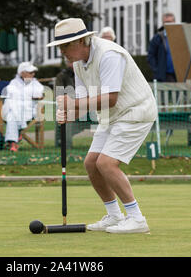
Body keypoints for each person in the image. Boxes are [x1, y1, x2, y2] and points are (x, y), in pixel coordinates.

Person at [47, 18, 157, 234]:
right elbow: (83, 99)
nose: (62, 52)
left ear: (80, 41)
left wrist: (73, 105)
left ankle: (136, 219)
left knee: (106, 163)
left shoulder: (109, 55)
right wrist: (68, 114)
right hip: (111, 116)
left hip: (135, 111)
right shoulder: (79, 63)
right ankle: (114, 215)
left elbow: (111, 98)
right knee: (91, 163)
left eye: (64, 46)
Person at [1, 61, 44, 152]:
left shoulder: (35, 83)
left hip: (30, 111)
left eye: (33, 72)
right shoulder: (14, 83)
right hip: (15, 110)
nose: (33, 74)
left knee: (13, 115)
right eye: (30, 72)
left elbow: (39, 93)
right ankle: (15, 140)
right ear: (22, 73)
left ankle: (13, 142)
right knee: (13, 114)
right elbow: (12, 94)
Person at [54, 58, 92, 149]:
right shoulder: (61, 76)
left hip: (88, 105)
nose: (73, 65)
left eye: (74, 62)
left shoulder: (85, 73)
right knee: (68, 114)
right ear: (67, 63)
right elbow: (59, 94)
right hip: (71, 107)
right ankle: (66, 145)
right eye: (71, 62)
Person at [147, 12, 176, 82]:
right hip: (163, 75)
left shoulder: (180, 36)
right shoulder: (157, 38)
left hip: (178, 74)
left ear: (174, 22)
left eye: (170, 22)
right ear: (163, 23)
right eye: (166, 22)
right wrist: (157, 70)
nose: (168, 24)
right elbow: (150, 56)